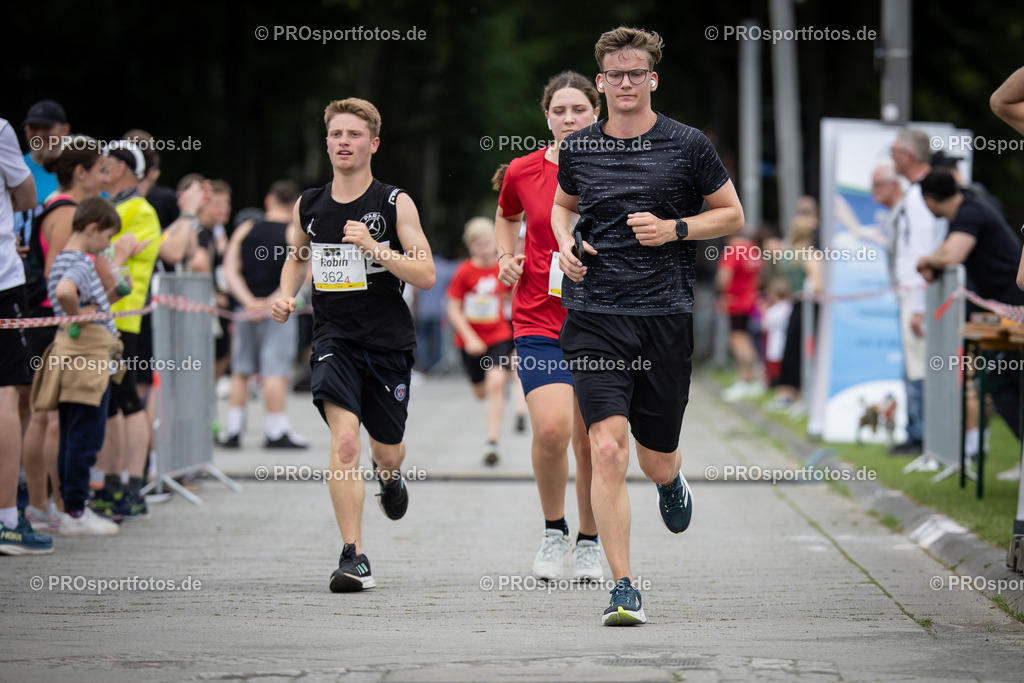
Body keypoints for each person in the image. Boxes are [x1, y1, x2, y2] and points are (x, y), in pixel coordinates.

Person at [553, 27, 743, 625]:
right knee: (606, 448)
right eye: (616, 74)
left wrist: (675, 230)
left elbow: (732, 214)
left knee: (653, 456)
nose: (626, 83)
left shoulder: (688, 145)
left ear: (652, 79)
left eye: (636, 73)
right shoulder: (579, 148)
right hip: (595, 316)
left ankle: (670, 480)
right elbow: (564, 206)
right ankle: (624, 586)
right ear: (602, 80)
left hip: (663, 317)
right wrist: (564, 246)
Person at [272, 98, 435, 592]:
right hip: (333, 339)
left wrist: (375, 248)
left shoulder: (393, 203)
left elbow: (425, 273)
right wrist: (285, 294)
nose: (344, 142)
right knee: (345, 442)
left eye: (354, 135)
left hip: (387, 343)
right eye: (336, 134)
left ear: (373, 144)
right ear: (327, 142)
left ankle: (390, 477)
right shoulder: (309, 204)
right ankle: (353, 555)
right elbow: (297, 256)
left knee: (386, 451)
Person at [494, 70, 603, 582]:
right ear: (547, 117)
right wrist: (505, 256)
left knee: (591, 440)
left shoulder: (619, 165)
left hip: (604, 321)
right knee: (554, 429)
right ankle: (553, 528)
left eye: (578, 110)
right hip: (540, 317)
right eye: (559, 111)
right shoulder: (523, 170)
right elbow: (506, 215)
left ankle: (590, 539)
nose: (568, 118)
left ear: (596, 113)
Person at [22, 137, 109, 533]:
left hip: (48, 324)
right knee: (50, 420)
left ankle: (48, 506)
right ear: (81, 173)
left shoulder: (55, 205)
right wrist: (75, 316)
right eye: (100, 170)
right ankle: (54, 507)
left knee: (44, 418)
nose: (105, 178)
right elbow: (60, 278)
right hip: (53, 327)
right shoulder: (67, 213)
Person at [34, 197, 133, 535]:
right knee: (85, 435)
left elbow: (77, 295)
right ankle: (75, 510)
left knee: (73, 431)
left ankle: (69, 508)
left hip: (76, 354)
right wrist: (77, 313)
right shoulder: (80, 261)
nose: (107, 247)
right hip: (86, 358)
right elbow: (65, 292)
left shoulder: (64, 258)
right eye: (106, 238)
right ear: (92, 229)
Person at [917, 171, 1024, 440]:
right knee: (1002, 381)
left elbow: (951, 255)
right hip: (1005, 307)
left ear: (929, 201)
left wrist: (926, 260)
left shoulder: (970, 212)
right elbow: (940, 260)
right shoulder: (965, 212)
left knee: (1003, 381)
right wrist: (932, 261)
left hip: (1014, 307)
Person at [90, 141, 160, 521]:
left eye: (107, 162)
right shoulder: (118, 206)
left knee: (127, 399)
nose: (101, 167)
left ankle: (132, 485)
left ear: (121, 168)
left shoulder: (138, 209)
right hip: (108, 317)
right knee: (116, 401)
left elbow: (102, 252)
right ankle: (114, 484)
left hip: (125, 318)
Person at [221, 180, 308, 449]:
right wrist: (276, 300)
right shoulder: (293, 230)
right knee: (276, 369)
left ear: (269, 201)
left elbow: (230, 267)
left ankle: (233, 429)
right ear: (294, 205)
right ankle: (275, 429)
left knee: (241, 369)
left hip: (245, 311)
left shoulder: (246, 228)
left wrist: (248, 302)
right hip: (279, 310)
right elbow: (304, 269)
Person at [0, 115, 52, 555]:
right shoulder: (0, 129)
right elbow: (27, 196)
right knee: (9, 394)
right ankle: (6, 519)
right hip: (2, 280)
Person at [889, 129, 947, 456]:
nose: (892, 157)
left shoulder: (921, 193)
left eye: (895, 151)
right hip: (915, 290)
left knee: (920, 365)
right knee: (915, 365)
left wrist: (920, 304)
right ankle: (919, 433)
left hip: (918, 291)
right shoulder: (918, 191)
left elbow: (925, 247)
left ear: (907, 156)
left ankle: (923, 437)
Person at [446, 217, 513, 465]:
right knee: (480, 392)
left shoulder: (501, 268)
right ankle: (488, 389)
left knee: (496, 383)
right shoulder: (464, 271)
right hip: (470, 341)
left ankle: (492, 442)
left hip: (498, 335)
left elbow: (511, 296)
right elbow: (453, 309)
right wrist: (470, 337)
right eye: (479, 245)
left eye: (488, 244)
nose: (485, 249)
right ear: (471, 247)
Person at [718, 232, 763, 402]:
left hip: (735, 302)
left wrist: (722, 293)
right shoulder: (752, 249)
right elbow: (759, 274)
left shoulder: (733, 250)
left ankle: (746, 379)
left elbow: (724, 274)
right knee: (746, 338)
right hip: (750, 301)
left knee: (738, 340)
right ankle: (753, 378)